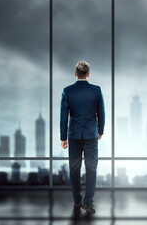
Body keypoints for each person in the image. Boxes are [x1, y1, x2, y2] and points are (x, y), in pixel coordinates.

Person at [60, 60, 105, 214]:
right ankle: (88, 202)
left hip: (73, 135)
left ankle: (77, 200)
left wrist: (63, 137)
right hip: (91, 135)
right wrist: (100, 130)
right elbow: (101, 113)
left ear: (75, 74)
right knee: (91, 168)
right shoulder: (96, 90)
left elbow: (63, 115)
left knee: (74, 168)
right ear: (88, 74)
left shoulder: (67, 91)